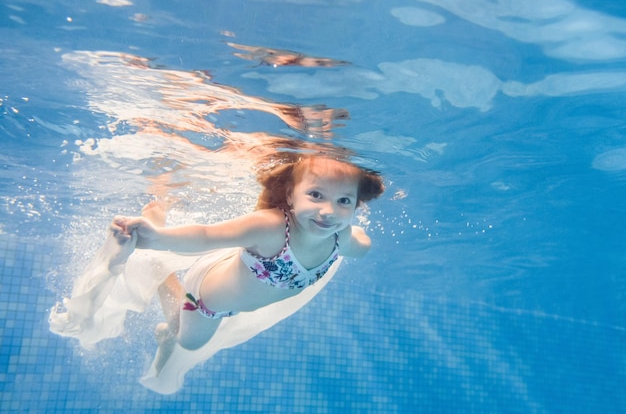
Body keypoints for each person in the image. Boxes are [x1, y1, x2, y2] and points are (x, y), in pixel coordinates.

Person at [50, 151, 383, 393]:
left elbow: (362, 246)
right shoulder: (271, 227)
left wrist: (358, 240)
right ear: (290, 195)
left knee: (186, 338)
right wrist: (156, 237)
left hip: (237, 291)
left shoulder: (341, 237)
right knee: (190, 342)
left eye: (343, 201)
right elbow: (207, 235)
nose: (329, 211)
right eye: (316, 195)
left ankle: (167, 317)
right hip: (207, 299)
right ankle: (158, 274)